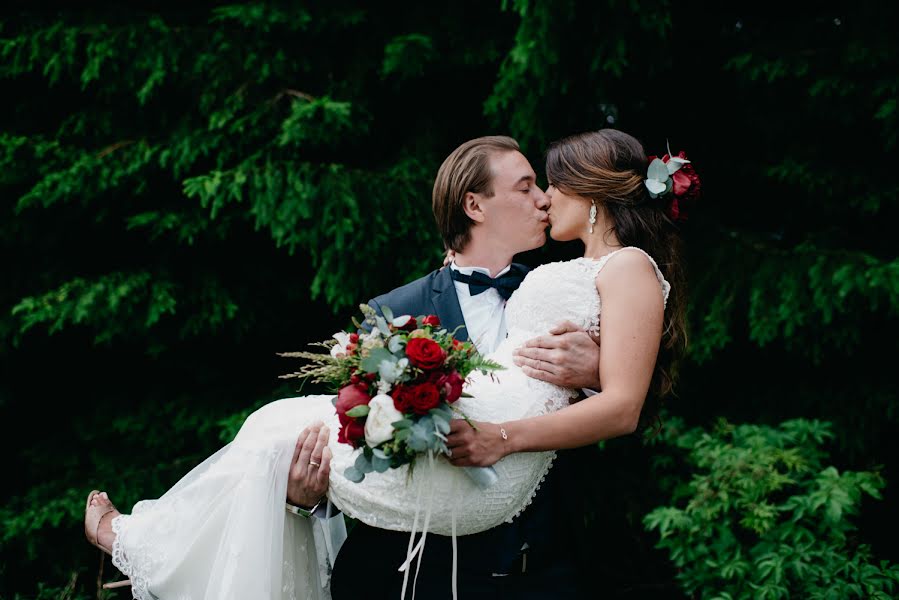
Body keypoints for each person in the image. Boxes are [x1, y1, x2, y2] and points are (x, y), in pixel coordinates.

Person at [84, 130, 687, 599]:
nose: (543, 197)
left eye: (545, 184)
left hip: (535, 569)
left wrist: (593, 374)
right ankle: (150, 544)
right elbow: (363, 435)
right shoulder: (391, 312)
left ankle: (138, 537)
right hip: (408, 574)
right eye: (527, 186)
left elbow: (627, 398)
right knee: (272, 434)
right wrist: (304, 498)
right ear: (475, 205)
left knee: (268, 425)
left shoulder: (574, 282)